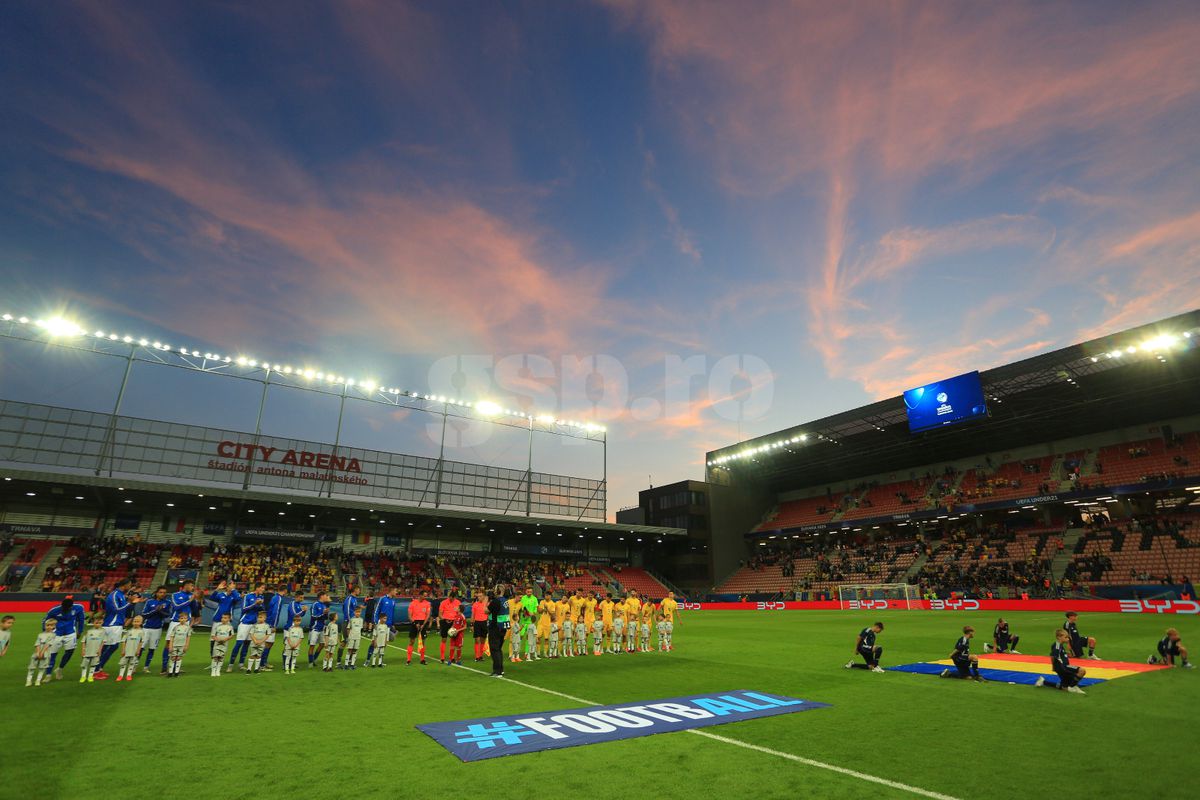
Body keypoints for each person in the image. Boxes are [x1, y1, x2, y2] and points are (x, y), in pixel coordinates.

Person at [96, 578, 139, 679]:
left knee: (110, 647)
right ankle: (97, 669)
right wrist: (131, 603)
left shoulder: (120, 595)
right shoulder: (115, 594)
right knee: (109, 647)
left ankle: (98, 668)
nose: (130, 587)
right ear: (125, 585)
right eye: (130, 585)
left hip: (116, 624)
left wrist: (129, 601)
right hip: (112, 624)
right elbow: (117, 609)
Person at [43, 595, 87, 681]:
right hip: (57, 634)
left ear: (71, 606)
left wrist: (79, 631)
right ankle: (48, 675)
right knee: (52, 655)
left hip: (70, 633)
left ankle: (60, 669)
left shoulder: (79, 608)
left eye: (68, 608)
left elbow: (81, 620)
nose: (66, 610)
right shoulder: (54, 610)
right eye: (64, 608)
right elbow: (45, 621)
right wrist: (46, 632)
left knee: (69, 652)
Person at [1036, 628, 1088, 694]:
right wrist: (1054, 666)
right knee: (1082, 671)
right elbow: (1053, 656)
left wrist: (1066, 653)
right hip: (1063, 667)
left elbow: (1059, 655)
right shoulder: (1057, 646)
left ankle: (1043, 682)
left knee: (1065, 687)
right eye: (1066, 637)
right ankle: (1073, 686)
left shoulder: (1060, 645)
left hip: (1061, 668)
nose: (1068, 639)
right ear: (1059, 637)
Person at [162, 580, 195, 675]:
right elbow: (176, 607)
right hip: (175, 622)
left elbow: (194, 608)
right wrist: (189, 601)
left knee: (181, 645)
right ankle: (164, 668)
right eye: (191, 586)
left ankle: (176, 667)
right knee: (169, 644)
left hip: (186, 623)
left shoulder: (191, 596)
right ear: (186, 585)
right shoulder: (175, 595)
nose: (192, 588)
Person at [231, 583, 266, 671]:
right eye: (262, 588)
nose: (263, 590)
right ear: (257, 588)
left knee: (247, 644)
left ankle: (241, 664)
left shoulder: (261, 597)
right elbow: (244, 608)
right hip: (245, 623)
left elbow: (262, 609)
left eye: (263, 588)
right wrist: (255, 603)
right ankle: (230, 664)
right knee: (239, 644)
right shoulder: (248, 596)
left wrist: (261, 604)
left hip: (253, 624)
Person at [140, 586, 171, 673]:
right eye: (160, 592)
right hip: (146, 628)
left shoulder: (167, 602)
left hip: (157, 629)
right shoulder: (150, 601)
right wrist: (155, 611)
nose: (162, 594)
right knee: (140, 648)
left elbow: (167, 615)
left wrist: (160, 611)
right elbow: (144, 614)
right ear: (156, 593)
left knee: (152, 649)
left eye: (164, 592)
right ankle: (134, 665)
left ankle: (146, 667)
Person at [207, 580, 240, 658]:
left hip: (228, 620)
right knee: (213, 638)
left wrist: (233, 590)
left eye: (234, 585)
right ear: (227, 586)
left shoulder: (234, 595)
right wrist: (217, 589)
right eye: (231, 585)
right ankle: (213, 658)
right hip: (218, 618)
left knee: (224, 639)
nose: (233, 586)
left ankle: (220, 657)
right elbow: (211, 598)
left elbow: (238, 599)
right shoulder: (221, 594)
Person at [487, 584, 509, 677]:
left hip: (495, 627)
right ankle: (500, 669)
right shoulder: (506, 601)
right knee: (498, 649)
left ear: (497, 591)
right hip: (503, 627)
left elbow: (486, 611)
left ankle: (497, 671)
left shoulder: (496, 601)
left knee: (494, 649)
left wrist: (486, 600)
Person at [27, 619, 57, 687]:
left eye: (51, 625)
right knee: (31, 667)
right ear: (44, 625)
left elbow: (48, 644)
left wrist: (42, 652)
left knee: (42, 668)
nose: (49, 627)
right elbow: (37, 643)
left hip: (45, 653)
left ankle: (38, 680)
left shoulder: (53, 635)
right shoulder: (40, 634)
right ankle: (28, 680)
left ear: (54, 627)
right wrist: (38, 652)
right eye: (47, 625)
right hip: (37, 652)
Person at [116, 615, 145, 683]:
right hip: (127, 650)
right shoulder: (128, 631)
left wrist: (138, 650)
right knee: (123, 663)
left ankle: (129, 675)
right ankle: (120, 675)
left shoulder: (141, 632)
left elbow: (141, 642)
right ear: (132, 622)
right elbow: (124, 641)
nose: (136, 623)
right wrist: (123, 650)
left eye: (138, 621)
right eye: (134, 621)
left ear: (141, 623)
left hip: (134, 650)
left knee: (132, 663)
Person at [79, 615, 106, 683]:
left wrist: (100, 650)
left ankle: (90, 676)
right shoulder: (89, 631)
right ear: (93, 623)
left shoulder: (103, 631)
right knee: (84, 664)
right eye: (96, 623)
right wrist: (83, 650)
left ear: (102, 622)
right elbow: (83, 641)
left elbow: (103, 642)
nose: (98, 624)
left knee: (93, 664)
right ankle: (83, 676)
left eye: (100, 623)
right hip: (87, 651)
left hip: (96, 651)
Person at [407, 589, 431, 666]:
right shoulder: (412, 603)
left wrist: (423, 624)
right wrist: (415, 623)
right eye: (424, 596)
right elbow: (409, 616)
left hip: (423, 623)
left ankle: (422, 659)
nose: (425, 597)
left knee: (423, 642)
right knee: (412, 641)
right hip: (414, 623)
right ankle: (408, 659)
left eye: (426, 596)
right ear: (420, 595)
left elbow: (427, 615)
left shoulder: (427, 603)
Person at [307, 592, 331, 668]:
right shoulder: (315, 604)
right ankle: (310, 663)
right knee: (312, 645)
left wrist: (326, 613)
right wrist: (322, 613)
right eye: (325, 595)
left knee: (322, 644)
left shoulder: (324, 605)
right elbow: (313, 615)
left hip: (322, 628)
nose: (326, 597)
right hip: (314, 628)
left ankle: (314, 659)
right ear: (321, 596)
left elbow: (325, 618)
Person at [438, 589, 461, 664]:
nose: (452, 599)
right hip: (444, 622)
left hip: (454, 623)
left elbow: (459, 613)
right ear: (449, 596)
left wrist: (456, 620)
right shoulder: (443, 602)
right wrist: (444, 619)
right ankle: (442, 657)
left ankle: (452, 657)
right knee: (444, 639)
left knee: (453, 640)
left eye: (453, 598)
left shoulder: (458, 602)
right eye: (451, 598)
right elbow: (440, 614)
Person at [339, 587, 360, 667]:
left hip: (353, 623)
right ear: (354, 590)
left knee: (353, 643)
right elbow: (346, 610)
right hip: (348, 622)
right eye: (358, 589)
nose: (359, 590)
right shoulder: (350, 598)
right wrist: (349, 621)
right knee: (344, 642)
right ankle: (338, 662)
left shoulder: (354, 599)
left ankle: (350, 662)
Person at [166, 613, 191, 678]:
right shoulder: (176, 627)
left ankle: (177, 673)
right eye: (181, 618)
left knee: (179, 658)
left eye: (185, 618)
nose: (183, 620)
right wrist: (170, 646)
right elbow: (172, 637)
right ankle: (170, 673)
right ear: (178, 619)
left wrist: (186, 645)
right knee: (173, 658)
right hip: (174, 645)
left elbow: (188, 638)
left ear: (187, 619)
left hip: (182, 646)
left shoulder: (188, 628)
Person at [210, 613, 235, 678]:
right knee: (215, 657)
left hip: (224, 645)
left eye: (225, 618)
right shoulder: (217, 626)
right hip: (217, 644)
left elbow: (232, 635)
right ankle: (213, 671)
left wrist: (226, 639)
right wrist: (217, 640)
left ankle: (218, 670)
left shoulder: (230, 627)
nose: (223, 619)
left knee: (221, 657)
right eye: (222, 618)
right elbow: (213, 635)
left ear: (229, 619)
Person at [470, 590, 489, 662]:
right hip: (477, 623)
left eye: (480, 596)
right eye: (478, 596)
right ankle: (477, 656)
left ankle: (480, 656)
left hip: (484, 623)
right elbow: (472, 615)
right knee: (477, 640)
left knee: (483, 640)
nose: (479, 597)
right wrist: (471, 624)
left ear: (483, 596)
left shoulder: (486, 604)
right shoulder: (475, 604)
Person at [536, 594, 553, 659]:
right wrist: (543, 608)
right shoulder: (542, 602)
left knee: (546, 639)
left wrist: (547, 608)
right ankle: (538, 652)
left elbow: (552, 614)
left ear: (550, 596)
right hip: (540, 623)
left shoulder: (552, 603)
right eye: (546, 595)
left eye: (548, 595)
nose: (547, 596)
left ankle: (545, 652)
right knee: (538, 637)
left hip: (548, 624)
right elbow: (539, 611)